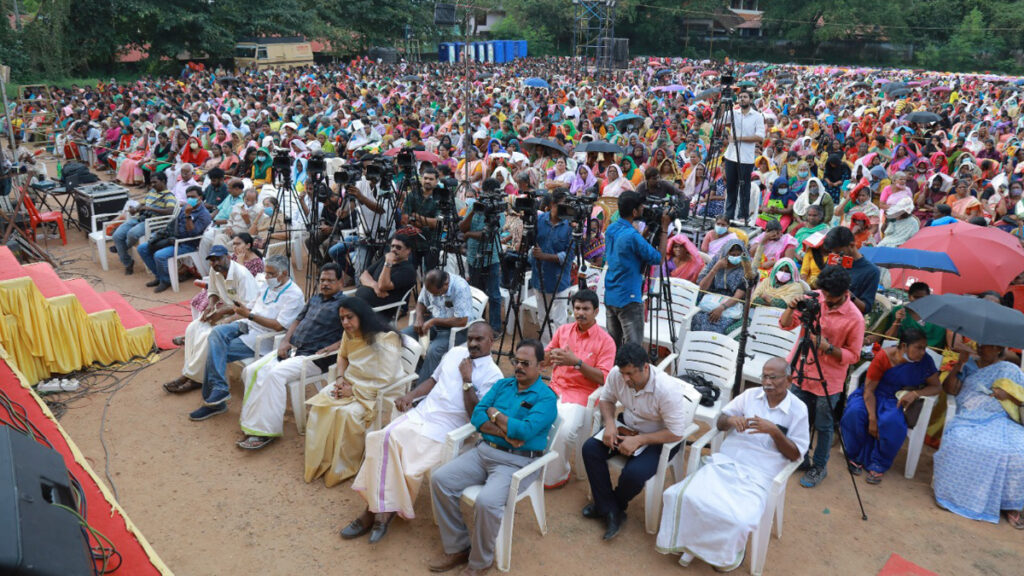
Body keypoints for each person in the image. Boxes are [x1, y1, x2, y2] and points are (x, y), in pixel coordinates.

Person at [341, 322, 503, 543]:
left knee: (409, 466)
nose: (473, 344)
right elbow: (433, 380)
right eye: (471, 338)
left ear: (491, 341)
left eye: (479, 339)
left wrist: (467, 379)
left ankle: (376, 513)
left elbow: (476, 414)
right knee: (382, 438)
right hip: (422, 414)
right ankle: (378, 511)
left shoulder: (494, 376)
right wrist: (411, 396)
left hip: (447, 429)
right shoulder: (455, 352)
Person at [656, 358, 809, 572]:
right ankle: (692, 544)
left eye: (773, 377)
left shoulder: (798, 410)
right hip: (727, 463)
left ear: (789, 380)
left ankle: (722, 555)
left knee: (738, 519)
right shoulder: (750, 396)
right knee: (681, 495)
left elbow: (796, 454)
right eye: (764, 376)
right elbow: (720, 420)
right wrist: (730, 421)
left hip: (761, 475)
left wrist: (774, 431)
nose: (767, 382)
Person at [428, 340, 557, 576]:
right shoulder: (502, 385)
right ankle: (458, 547)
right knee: (440, 479)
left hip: (517, 462)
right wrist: (502, 429)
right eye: (516, 361)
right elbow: (476, 414)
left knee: (487, 502)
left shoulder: (546, 398)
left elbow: (524, 431)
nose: (519, 367)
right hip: (484, 451)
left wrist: (494, 412)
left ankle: (480, 563)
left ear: (541, 366)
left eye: (526, 363)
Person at [580, 343, 699, 541]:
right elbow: (606, 400)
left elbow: (676, 432)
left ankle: (611, 506)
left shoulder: (666, 389)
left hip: (659, 438)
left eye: (630, 373)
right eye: (622, 373)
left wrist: (640, 440)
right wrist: (609, 423)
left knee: (633, 475)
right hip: (627, 426)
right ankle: (611, 510)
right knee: (590, 449)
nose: (625, 379)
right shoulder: (617, 376)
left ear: (645, 367)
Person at [184, 255, 306, 420]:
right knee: (215, 334)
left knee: (214, 350)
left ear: (284, 273)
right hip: (247, 325)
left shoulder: (294, 295)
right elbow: (250, 306)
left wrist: (249, 315)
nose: (267, 277)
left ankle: (215, 402)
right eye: (266, 273)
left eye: (271, 274)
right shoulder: (267, 285)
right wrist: (235, 310)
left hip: (263, 337)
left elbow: (279, 326)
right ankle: (218, 390)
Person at [231, 264, 347, 435]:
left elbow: (356, 331)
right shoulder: (315, 298)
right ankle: (251, 421)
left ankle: (265, 431)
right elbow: (297, 321)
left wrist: (337, 345)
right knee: (251, 370)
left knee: (274, 375)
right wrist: (285, 341)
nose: (325, 284)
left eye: (330, 280)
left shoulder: (345, 304)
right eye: (322, 280)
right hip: (294, 350)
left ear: (341, 283)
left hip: (315, 357)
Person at [293, 298, 404, 473]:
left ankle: (341, 467)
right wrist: (339, 379)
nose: (345, 322)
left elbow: (385, 379)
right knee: (320, 406)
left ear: (362, 316)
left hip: (377, 390)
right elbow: (342, 356)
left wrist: (352, 391)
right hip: (350, 382)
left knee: (347, 414)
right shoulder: (349, 333)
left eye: (349, 317)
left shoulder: (387, 339)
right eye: (342, 318)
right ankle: (322, 459)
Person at [779, 265, 865, 488]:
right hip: (801, 370)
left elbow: (854, 355)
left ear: (844, 292)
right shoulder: (814, 298)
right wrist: (790, 307)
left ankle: (819, 466)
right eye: (823, 292)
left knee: (824, 425)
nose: (824, 298)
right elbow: (786, 324)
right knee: (799, 419)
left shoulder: (855, 318)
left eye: (829, 295)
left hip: (829, 378)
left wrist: (827, 347)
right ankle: (800, 458)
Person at [933, 340, 1024, 527]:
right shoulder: (970, 365)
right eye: (980, 344)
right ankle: (957, 495)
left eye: (986, 345)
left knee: (1018, 450)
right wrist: (960, 363)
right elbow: (951, 390)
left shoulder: (1009, 369)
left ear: (998, 348)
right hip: (971, 415)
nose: (980, 348)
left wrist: (1008, 396)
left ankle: (1010, 504)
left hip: (1003, 417)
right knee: (961, 442)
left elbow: (1021, 397)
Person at [840, 328, 941, 484]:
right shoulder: (884, 357)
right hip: (872, 394)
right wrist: (872, 419)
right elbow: (869, 390)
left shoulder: (925, 361)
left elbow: (936, 387)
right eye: (919, 348)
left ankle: (878, 463)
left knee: (892, 422)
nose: (923, 352)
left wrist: (915, 393)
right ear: (905, 346)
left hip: (895, 399)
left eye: (924, 348)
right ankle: (854, 455)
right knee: (855, 413)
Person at [542, 289, 617, 488]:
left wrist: (576, 363)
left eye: (585, 309)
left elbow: (604, 378)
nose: (580, 313)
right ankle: (531, 465)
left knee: (564, 431)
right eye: (577, 308)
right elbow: (544, 359)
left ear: (596, 311)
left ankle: (556, 476)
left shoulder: (606, 341)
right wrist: (549, 356)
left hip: (581, 396)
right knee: (527, 415)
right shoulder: (563, 331)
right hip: (554, 388)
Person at [162, 245, 258, 394]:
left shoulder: (242, 275)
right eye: (212, 260)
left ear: (227, 257)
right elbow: (212, 291)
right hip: (229, 311)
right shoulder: (215, 270)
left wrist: (223, 314)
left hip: (246, 318)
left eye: (218, 259)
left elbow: (249, 309)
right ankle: (190, 373)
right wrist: (211, 306)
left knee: (207, 336)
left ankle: (193, 378)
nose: (215, 263)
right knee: (193, 328)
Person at [603, 191, 668, 347]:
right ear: (634, 212)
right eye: (641, 207)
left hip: (611, 294)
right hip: (628, 298)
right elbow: (659, 258)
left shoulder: (611, 229)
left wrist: (645, 233)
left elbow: (632, 248)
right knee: (634, 350)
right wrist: (664, 229)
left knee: (613, 347)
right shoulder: (632, 236)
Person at [403, 269, 473, 385]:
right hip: (434, 322)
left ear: (446, 284)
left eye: (437, 294)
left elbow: (462, 321)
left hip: (456, 329)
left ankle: (420, 392)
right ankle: (422, 373)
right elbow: (421, 302)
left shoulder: (460, 287)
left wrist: (434, 321)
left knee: (433, 351)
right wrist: (419, 318)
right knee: (404, 337)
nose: (434, 296)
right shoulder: (430, 283)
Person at [137, 185, 212, 293]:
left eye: (193, 196)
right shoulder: (184, 207)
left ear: (200, 198)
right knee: (142, 248)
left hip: (187, 244)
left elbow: (192, 233)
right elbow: (176, 223)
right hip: (173, 238)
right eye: (188, 197)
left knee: (159, 255)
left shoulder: (203, 214)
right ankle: (159, 277)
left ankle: (166, 280)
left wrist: (187, 215)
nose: (190, 199)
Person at [460, 179, 505, 335]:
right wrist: (474, 210)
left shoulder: (499, 209)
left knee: (493, 294)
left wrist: (469, 234)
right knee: (476, 293)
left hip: (491, 257)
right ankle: (478, 324)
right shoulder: (473, 206)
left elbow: (488, 235)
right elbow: (462, 227)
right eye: (486, 193)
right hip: (473, 256)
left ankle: (495, 329)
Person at [111, 170, 176, 275]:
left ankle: (122, 248)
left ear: (163, 181)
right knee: (117, 236)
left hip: (152, 222)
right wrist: (135, 209)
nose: (153, 185)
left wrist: (151, 209)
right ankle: (128, 262)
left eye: (155, 182)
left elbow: (170, 211)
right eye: (152, 183)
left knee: (132, 233)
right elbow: (142, 203)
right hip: (140, 218)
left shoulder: (169, 196)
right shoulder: (152, 192)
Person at [530, 189, 573, 343]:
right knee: (542, 316)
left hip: (559, 280)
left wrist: (544, 256)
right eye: (561, 206)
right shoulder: (540, 220)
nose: (564, 210)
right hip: (539, 276)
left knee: (560, 320)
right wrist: (534, 254)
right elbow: (531, 244)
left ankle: (559, 350)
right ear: (552, 205)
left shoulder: (570, 226)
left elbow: (568, 256)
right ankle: (546, 348)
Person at [691, 239, 754, 334]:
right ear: (726, 254)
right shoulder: (717, 261)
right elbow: (702, 288)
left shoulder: (746, 268)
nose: (736, 257)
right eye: (732, 254)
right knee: (698, 319)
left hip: (731, 304)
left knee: (718, 324)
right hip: (711, 299)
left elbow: (738, 296)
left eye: (738, 254)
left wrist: (721, 308)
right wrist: (716, 268)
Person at [723, 90, 766, 222]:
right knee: (731, 187)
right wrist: (723, 106)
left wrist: (738, 138)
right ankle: (729, 216)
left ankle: (743, 216)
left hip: (746, 158)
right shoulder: (733, 113)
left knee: (744, 187)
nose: (742, 99)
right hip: (731, 156)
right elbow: (719, 121)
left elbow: (760, 137)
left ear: (751, 99)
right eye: (740, 97)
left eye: (745, 97)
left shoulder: (757, 116)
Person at [353, 233, 417, 315]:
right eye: (392, 246)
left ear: (408, 250)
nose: (394, 249)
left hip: (380, 312)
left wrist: (388, 263)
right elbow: (363, 275)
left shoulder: (408, 270)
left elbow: (383, 285)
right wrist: (374, 285)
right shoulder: (385, 258)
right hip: (363, 306)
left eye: (398, 247)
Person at [822, 225, 880, 316]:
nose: (835, 255)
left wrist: (847, 294)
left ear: (852, 245)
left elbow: (865, 308)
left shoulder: (871, 271)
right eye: (832, 252)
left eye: (838, 252)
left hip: (848, 320)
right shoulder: (833, 261)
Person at [882, 282, 948, 348]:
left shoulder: (937, 317)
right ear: (909, 296)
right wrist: (897, 320)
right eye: (916, 297)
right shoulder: (899, 310)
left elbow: (937, 344)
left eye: (922, 298)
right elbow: (888, 339)